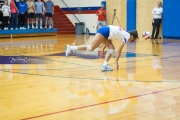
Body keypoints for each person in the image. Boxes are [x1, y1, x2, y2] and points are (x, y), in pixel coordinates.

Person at [65, 25, 138, 71]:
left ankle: (105, 65)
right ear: (132, 36)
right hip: (104, 31)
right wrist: (116, 62)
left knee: (111, 48)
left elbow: (110, 37)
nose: (133, 41)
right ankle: (71, 48)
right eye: (133, 39)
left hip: (106, 31)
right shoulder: (127, 36)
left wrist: (103, 48)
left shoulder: (124, 33)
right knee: (91, 48)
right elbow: (119, 50)